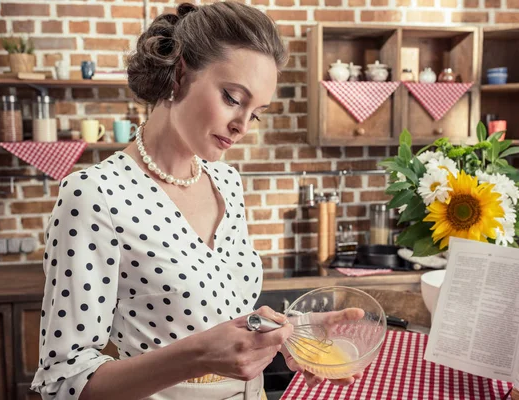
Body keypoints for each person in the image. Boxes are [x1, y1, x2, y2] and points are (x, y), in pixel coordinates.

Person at [31, 3, 362, 400]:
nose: (242, 126)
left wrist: (293, 332)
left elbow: (220, 315)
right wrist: (198, 357)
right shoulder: (94, 195)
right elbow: (62, 380)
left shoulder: (226, 181)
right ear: (181, 72)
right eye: (232, 97)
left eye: (256, 114)